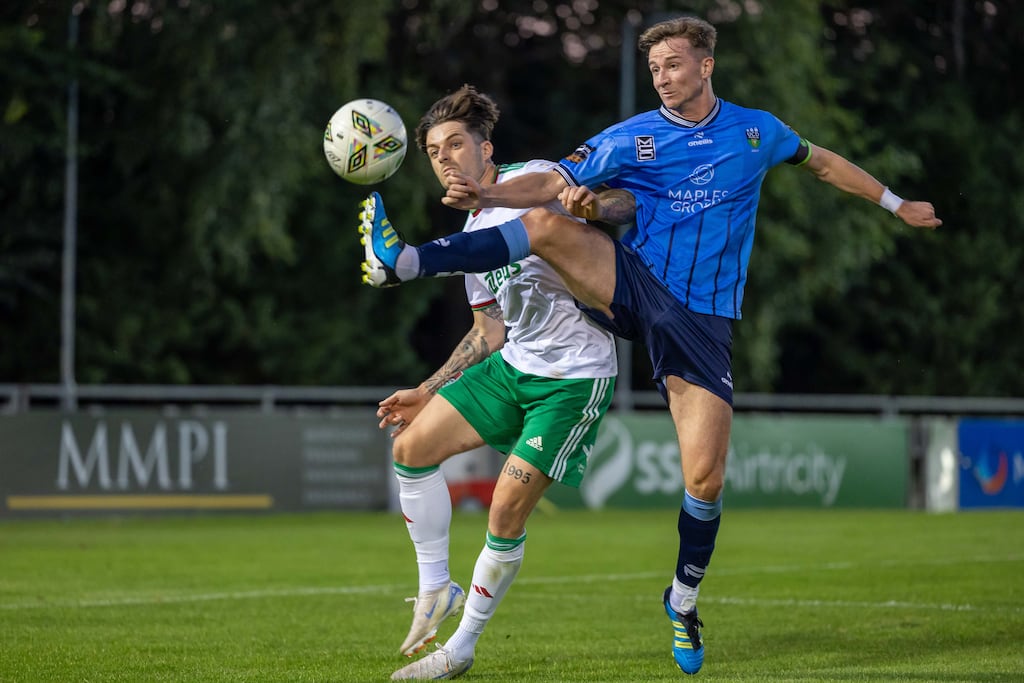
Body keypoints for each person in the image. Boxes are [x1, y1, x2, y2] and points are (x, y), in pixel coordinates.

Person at [359, 16, 942, 676]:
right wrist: (494, 194)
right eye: (655, 67)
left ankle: (684, 599)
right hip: (633, 284)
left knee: (705, 479)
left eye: (672, 64)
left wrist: (896, 204)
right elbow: (558, 184)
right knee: (548, 224)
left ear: (705, 66)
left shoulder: (756, 132)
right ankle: (407, 260)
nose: (662, 77)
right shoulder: (632, 136)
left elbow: (823, 162)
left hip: (701, 322)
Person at [366, 85, 618, 681]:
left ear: (487, 148)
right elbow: (488, 330)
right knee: (410, 448)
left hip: (572, 378)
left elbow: (581, 194)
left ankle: (461, 648)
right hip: (513, 369)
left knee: (504, 512)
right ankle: (437, 588)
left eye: (457, 144)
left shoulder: (531, 178)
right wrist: (428, 390)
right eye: (433, 151)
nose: (446, 158)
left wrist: (586, 207)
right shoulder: (477, 228)